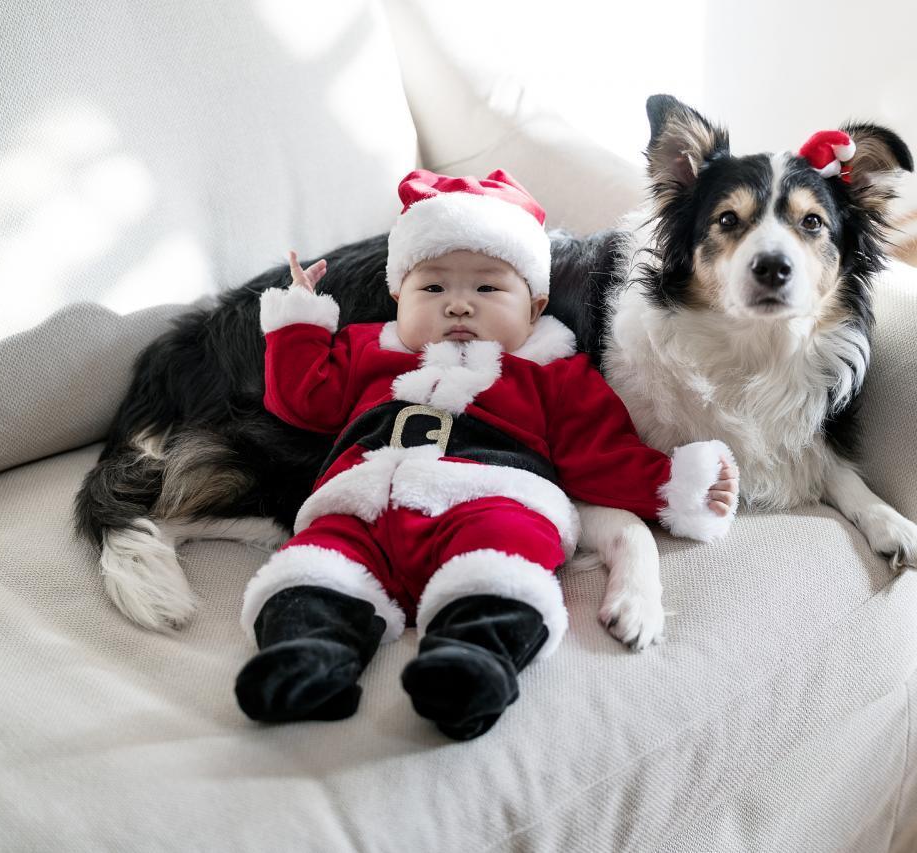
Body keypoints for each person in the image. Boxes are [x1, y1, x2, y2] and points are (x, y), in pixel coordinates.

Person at [235, 168, 739, 740]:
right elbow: (302, 398)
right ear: (397, 297)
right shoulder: (368, 349)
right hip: (366, 504)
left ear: (535, 306)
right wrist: (299, 322)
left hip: (491, 501)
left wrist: (674, 484)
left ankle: (470, 665)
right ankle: (307, 655)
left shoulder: (553, 373)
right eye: (433, 289)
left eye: (487, 288)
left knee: (505, 562)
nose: (458, 307)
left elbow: (599, 454)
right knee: (315, 565)